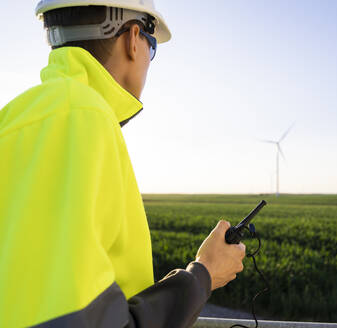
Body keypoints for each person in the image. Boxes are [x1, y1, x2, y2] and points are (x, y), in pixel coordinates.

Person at [0, 1, 246, 327]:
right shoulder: (82, 117)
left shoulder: (15, 119)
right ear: (133, 39)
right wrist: (203, 274)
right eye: (152, 46)